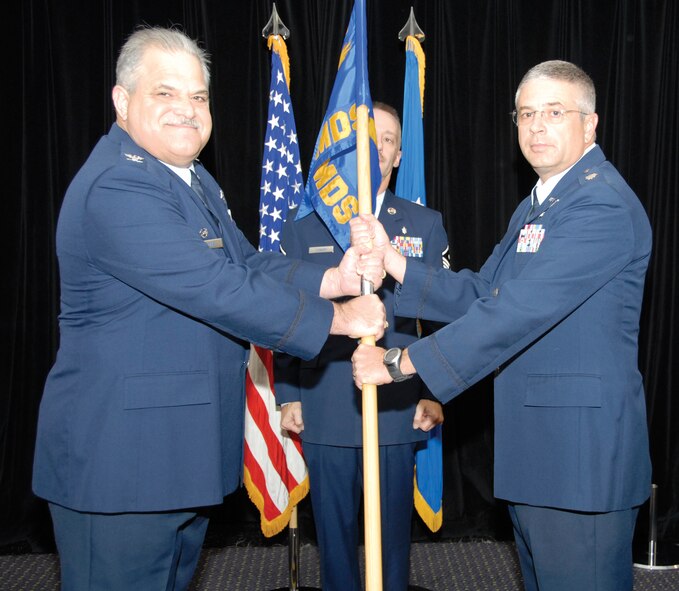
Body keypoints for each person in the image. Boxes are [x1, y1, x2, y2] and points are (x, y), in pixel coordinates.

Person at [32, 26, 387, 591]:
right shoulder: (119, 186)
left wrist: (332, 279)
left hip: (173, 453)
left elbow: (245, 263)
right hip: (122, 463)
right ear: (122, 102)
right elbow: (213, 287)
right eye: (165, 94)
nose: (187, 110)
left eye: (198, 96)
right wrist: (341, 322)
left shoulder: (190, 178)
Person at [352, 61, 652, 591]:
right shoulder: (539, 205)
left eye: (554, 112)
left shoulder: (599, 204)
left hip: (579, 459)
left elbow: (516, 312)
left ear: (591, 124)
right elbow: (482, 293)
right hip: (540, 452)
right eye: (526, 114)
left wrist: (401, 363)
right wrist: (396, 263)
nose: (536, 127)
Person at [275, 102, 448, 591]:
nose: (377, 147)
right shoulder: (302, 225)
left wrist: (434, 392)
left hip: (398, 403)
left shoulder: (424, 223)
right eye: (366, 138)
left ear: (397, 155)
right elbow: (283, 315)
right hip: (324, 403)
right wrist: (288, 393)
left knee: (392, 538)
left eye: (388, 139)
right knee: (333, 536)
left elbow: (441, 317)